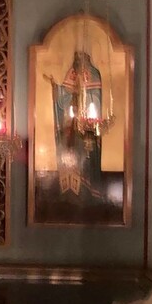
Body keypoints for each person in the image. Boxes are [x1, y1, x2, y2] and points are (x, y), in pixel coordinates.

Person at [47, 51, 102, 202]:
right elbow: (63, 101)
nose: (78, 62)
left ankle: (89, 193)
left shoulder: (94, 74)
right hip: (73, 128)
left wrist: (83, 97)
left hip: (88, 130)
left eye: (81, 58)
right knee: (71, 155)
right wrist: (57, 88)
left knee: (87, 158)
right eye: (77, 59)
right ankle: (71, 196)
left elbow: (96, 98)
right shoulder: (71, 72)